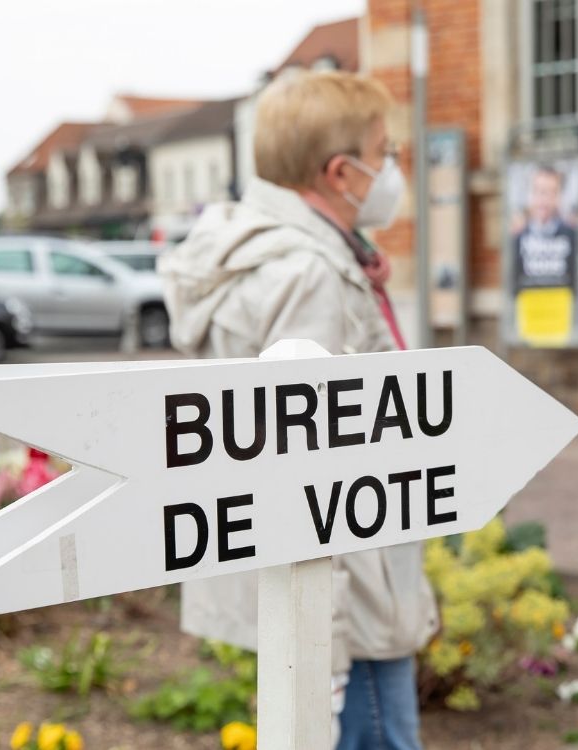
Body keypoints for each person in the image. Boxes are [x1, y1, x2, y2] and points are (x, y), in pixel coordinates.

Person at [158, 71, 437, 750]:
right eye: (386, 151)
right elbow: (313, 480)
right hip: (352, 608)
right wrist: (329, 652)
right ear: (342, 173)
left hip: (331, 592)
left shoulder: (266, 255)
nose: (394, 167)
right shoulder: (308, 274)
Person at [511, 165, 577, 291]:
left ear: (559, 196)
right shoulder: (517, 237)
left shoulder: (572, 236)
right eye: (539, 191)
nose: (544, 199)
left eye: (551, 192)